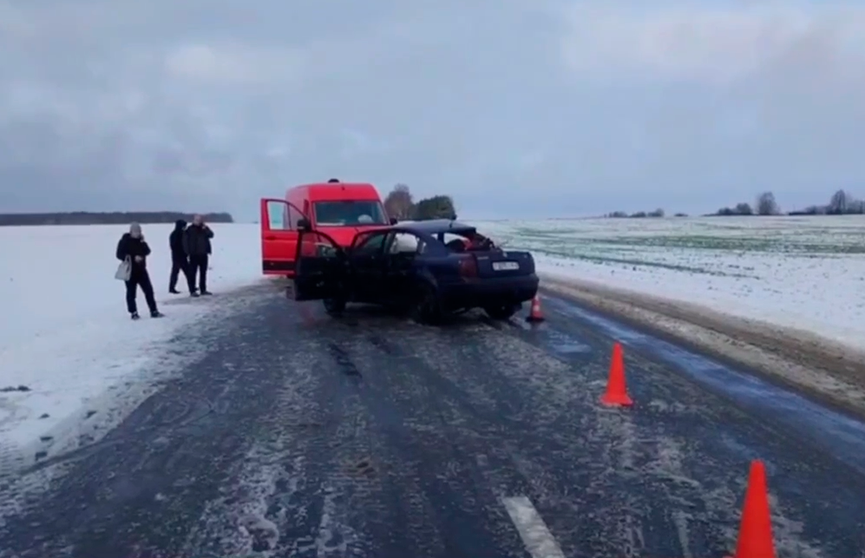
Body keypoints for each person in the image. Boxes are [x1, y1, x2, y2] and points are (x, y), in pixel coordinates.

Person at [116, 223, 164, 319]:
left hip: (141, 270)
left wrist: (142, 243)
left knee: (149, 291)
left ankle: (153, 310)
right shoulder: (124, 241)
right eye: (136, 231)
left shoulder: (140, 241)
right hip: (130, 271)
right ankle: (133, 312)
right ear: (131, 232)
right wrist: (132, 257)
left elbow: (148, 251)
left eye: (139, 231)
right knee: (131, 293)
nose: (138, 233)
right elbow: (119, 254)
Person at [184, 214, 214, 295]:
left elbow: (211, 235)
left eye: (200, 221)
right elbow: (185, 241)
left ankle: (203, 289)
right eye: (198, 220)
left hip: (203, 254)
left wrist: (206, 229)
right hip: (194, 255)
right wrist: (187, 252)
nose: (199, 222)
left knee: (203, 273)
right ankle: (192, 290)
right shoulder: (190, 230)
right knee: (193, 273)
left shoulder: (204, 229)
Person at [168, 219, 197, 296]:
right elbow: (174, 246)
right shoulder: (178, 234)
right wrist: (184, 252)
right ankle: (192, 289)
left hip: (177, 256)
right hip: (179, 257)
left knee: (175, 272)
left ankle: (171, 288)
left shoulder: (175, 234)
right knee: (187, 273)